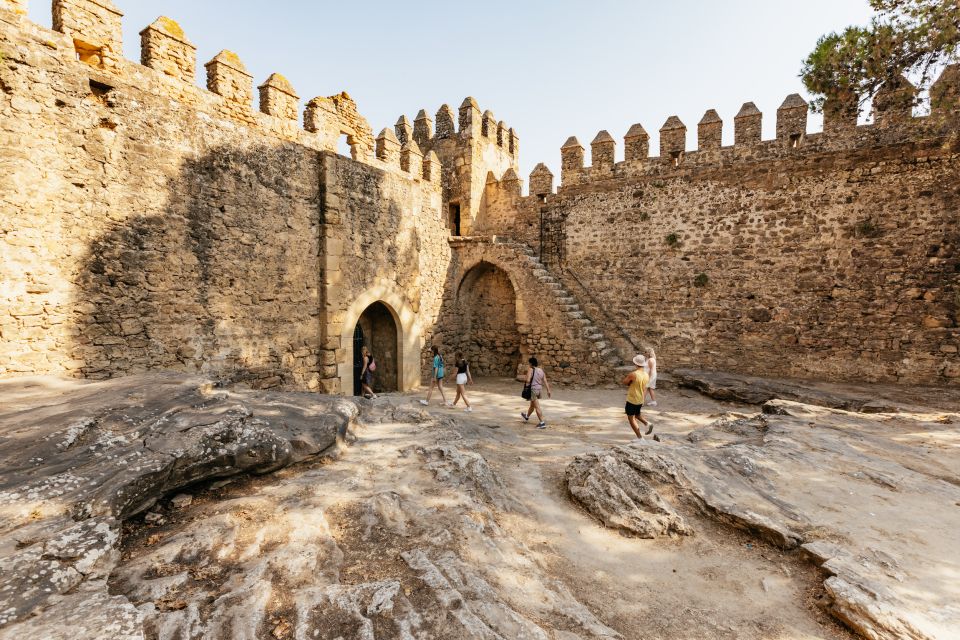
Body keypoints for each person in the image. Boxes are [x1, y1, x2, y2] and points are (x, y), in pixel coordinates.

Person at [622, 354, 654, 440]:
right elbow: (644, 387)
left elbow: (625, 382)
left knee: (631, 418)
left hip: (632, 399)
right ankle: (648, 423)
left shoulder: (633, 374)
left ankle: (640, 438)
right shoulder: (646, 375)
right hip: (640, 399)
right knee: (637, 414)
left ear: (635, 363)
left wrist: (629, 382)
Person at [520, 356, 551, 429]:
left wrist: (525, 378)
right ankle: (527, 416)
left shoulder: (531, 369)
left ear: (530, 363)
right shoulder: (541, 370)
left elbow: (528, 380)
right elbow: (545, 381)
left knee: (537, 407)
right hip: (539, 390)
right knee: (532, 405)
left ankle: (542, 423)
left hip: (533, 390)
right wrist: (548, 390)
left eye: (529, 363)